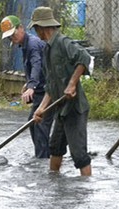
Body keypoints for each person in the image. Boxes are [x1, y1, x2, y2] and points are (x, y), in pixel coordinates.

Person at [27, 6, 92, 176]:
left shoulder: (63, 43)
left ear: (41, 27)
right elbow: (51, 86)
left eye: (35, 28)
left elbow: (84, 58)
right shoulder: (47, 49)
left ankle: (86, 189)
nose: (35, 32)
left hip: (75, 109)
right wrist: (41, 108)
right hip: (61, 109)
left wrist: (72, 84)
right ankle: (53, 183)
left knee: (79, 155)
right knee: (55, 148)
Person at [0, 15, 54, 158]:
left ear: (21, 28)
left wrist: (31, 86)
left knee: (40, 125)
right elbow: (39, 67)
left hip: (49, 91)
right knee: (33, 123)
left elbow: (36, 64)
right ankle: (45, 155)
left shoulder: (33, 44)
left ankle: (44, 160)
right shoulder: (25, 44)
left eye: (13, 34)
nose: (12, 38)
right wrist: (28, 82)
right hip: (41, 90)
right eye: (9, 37)